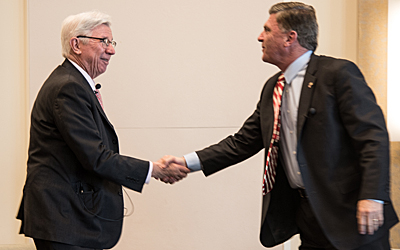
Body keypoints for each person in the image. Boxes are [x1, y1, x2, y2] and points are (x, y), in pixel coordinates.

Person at [163, 2, 398, 249]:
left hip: (354, 217)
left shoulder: (337, 74)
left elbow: (372, 138)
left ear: (289, 38)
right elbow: (242, 142)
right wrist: (187, 163)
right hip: (308, 218)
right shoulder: (272, 87)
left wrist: (372, 196)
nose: (259, 37)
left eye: (266, 30)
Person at [17, 11, 189, 250]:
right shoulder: (68, 87)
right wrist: (154, 170)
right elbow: (95, 157)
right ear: (76, 44)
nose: (112, 50)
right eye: (104, 41)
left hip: (69, 219)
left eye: (112, 42)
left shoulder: (75, 83)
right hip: (64, 219)